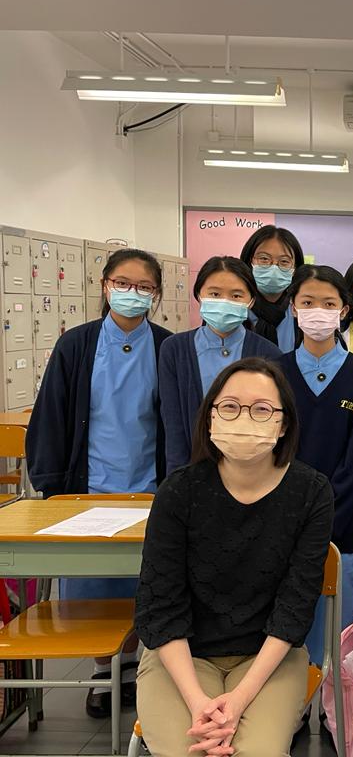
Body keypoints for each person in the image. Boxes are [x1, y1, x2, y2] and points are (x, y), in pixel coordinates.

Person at [135, 358, 333, 757]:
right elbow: (161, 608)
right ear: (210, 416)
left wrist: (238, 701)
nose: (243, 418)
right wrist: (198, 703)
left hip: (268, 659)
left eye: (261, 409)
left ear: (283, 424)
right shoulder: (178, 492)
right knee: (187, 751)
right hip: (183, 658)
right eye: (229, 406)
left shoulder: (311, 493)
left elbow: (293, 611)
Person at [27, 249, 171, 718]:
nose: (132, 293)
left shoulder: (167, 347)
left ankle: (133, 670)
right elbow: (51, 416)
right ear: (105, 285)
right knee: (90, 585)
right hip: (85, 488)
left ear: (156, 295)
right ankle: (102, 671)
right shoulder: (76, 345)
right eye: (122, 283)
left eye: (144, 287)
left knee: (143, 583)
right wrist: (52, 489)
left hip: (149, 488)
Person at [278, 265, 353, 632]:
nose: (317, 311)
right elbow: (271, 449)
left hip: (343, 521)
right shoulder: (274, 373)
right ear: (293, 307)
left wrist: (324, 515)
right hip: (281, 518)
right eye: (307, 302)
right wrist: (290, 512)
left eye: (328, 303)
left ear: (344, 310)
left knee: (336, 627)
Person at [159, 257, 281, 473]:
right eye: (215, 294)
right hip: (192, 470)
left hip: (251, 471)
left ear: (251, 301)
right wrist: (177, 479)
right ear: (199, 295)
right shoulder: (174, 349)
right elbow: (173, 425)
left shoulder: (269, 353)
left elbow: (270, 423)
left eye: (236, 295)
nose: (225, 302)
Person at [240, 225, 304, 351]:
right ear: (249, 261)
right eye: (264, 259)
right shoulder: (233, 306)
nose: (274, 268)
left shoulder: (300, 310)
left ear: (295, 268)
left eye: (284, 261)